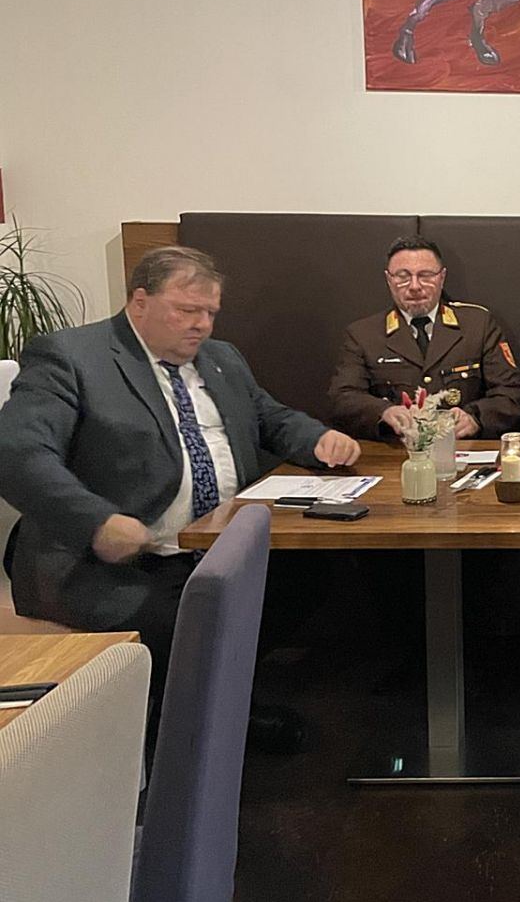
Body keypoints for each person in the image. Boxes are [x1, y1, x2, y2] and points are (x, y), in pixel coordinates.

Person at [0, 246, 361, 755]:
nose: (202, 326)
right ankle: (174, 743)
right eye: (187, 310)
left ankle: (215, 709)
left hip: (216, 547)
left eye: (210, 312)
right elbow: (17, 452)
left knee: (318, 574)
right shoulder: (71, 357)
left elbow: (271, 417)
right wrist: (96, 521)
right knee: (186, 622)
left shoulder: (222, 358)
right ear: (139, 301)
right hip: (117, 560)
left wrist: (319, 438)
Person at [328, 234, 520, 440]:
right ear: (389, 280)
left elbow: (511, 392)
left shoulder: (478, 325)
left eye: (425, 275)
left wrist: (475, 418)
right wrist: (383, 412)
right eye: (403, 276)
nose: (414, 286)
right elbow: (343, 398)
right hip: (396, 449)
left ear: (442, 277)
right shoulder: (363, 335)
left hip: (461, 448)